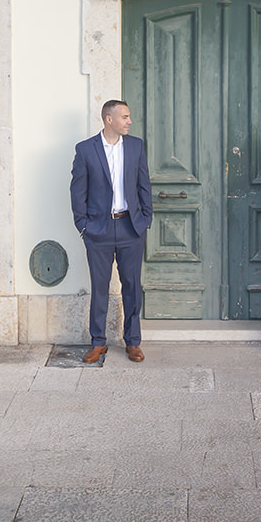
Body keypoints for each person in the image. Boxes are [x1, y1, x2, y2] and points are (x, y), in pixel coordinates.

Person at [70, 97, 152, 364]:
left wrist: (145, 220)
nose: (129, 121)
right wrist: (83, 226)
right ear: (109, 119)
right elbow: (77, 191)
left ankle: (133, 342)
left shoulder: (136, 147)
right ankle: (98, 343)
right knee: (100, 288)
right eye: (125, 117)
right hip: (98, 230)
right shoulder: (85, 150)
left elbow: (144, 186)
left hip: (131, 227)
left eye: (128, 117)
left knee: (131, 287)